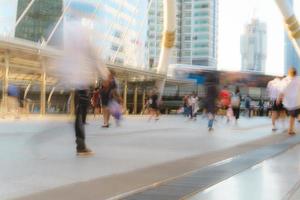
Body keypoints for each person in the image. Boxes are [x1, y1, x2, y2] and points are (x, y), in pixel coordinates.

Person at [280, 67, 300, 135]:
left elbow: (282, 90)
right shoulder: (298, 79)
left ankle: (290, 129)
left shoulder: (286, 80)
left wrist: (279, 98)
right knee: (293, 116)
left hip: (290, 102)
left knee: (292, 116)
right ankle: (290, 129)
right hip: (296, 102)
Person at [75, 88, 93, 156]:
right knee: (80, 110)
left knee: (81, 112)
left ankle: (80, 145)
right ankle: (80, 146)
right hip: (81, 87)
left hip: (81, 88)